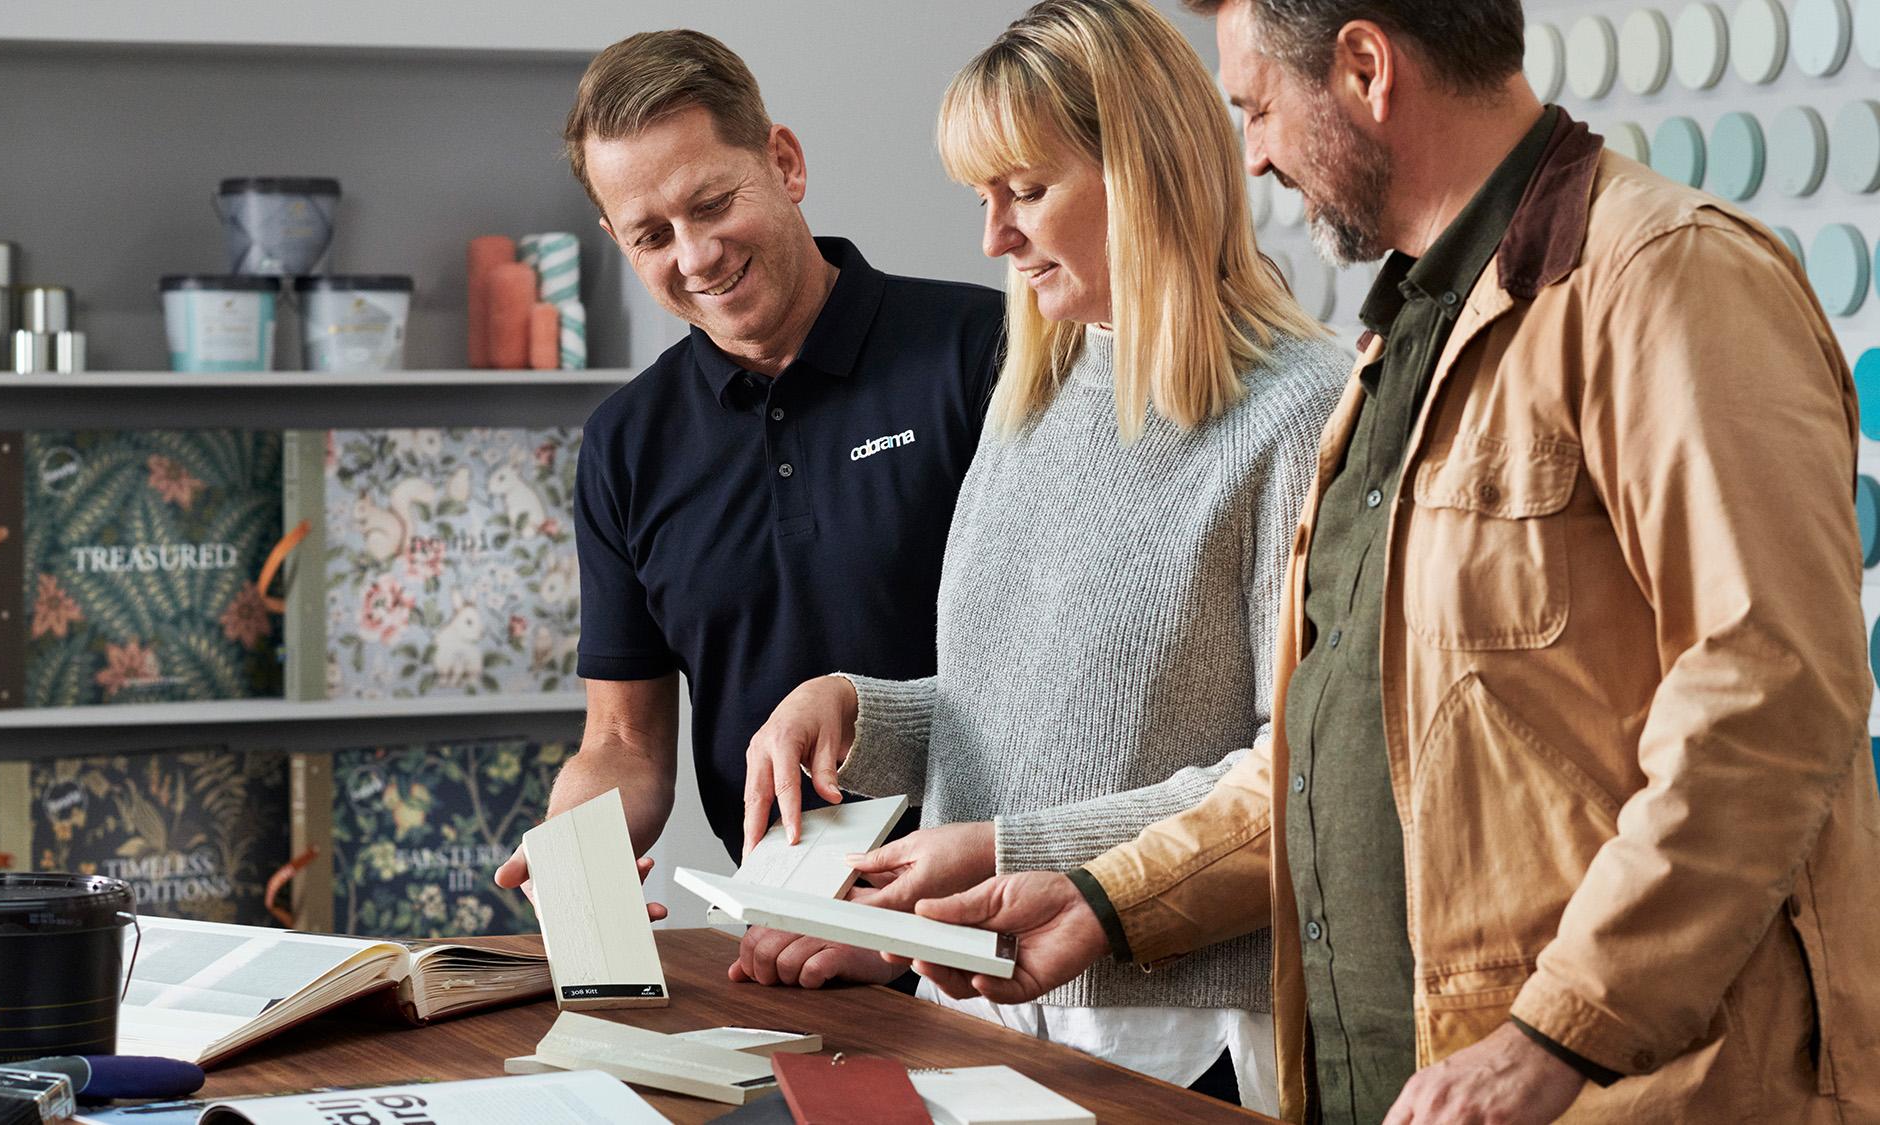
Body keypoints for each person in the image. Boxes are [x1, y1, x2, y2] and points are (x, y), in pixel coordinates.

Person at [897, 1, 1880, 1123]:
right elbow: (1328, 747)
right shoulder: (1398, 348)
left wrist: (1554, 1034)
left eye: (1258, 108)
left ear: (1363, 68)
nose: (1252, 155)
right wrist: (1106, 902)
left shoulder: (1670, 279)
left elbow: (1764, 703)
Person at [735, 0, 1342, 1110]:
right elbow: (1044, 700)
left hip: (1170, 1031)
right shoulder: (1041, 397)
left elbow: (1295, 775)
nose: (992, 239)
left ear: (1146, 170)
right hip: (979, 1004)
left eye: (1024, 191)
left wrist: (1005, 848)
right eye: (981, 198)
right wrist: (861, 713)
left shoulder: (1297, 415)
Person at [492, 30, 1003, 917]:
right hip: (784, 927)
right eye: (652, 235)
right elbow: (623, 739)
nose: (695, 256)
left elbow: (1065, 676)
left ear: (784, 162)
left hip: (990, 909)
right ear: (617, 239)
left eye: (712, 204)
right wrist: (576, 858)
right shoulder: (625, 444)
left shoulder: (985, 354)